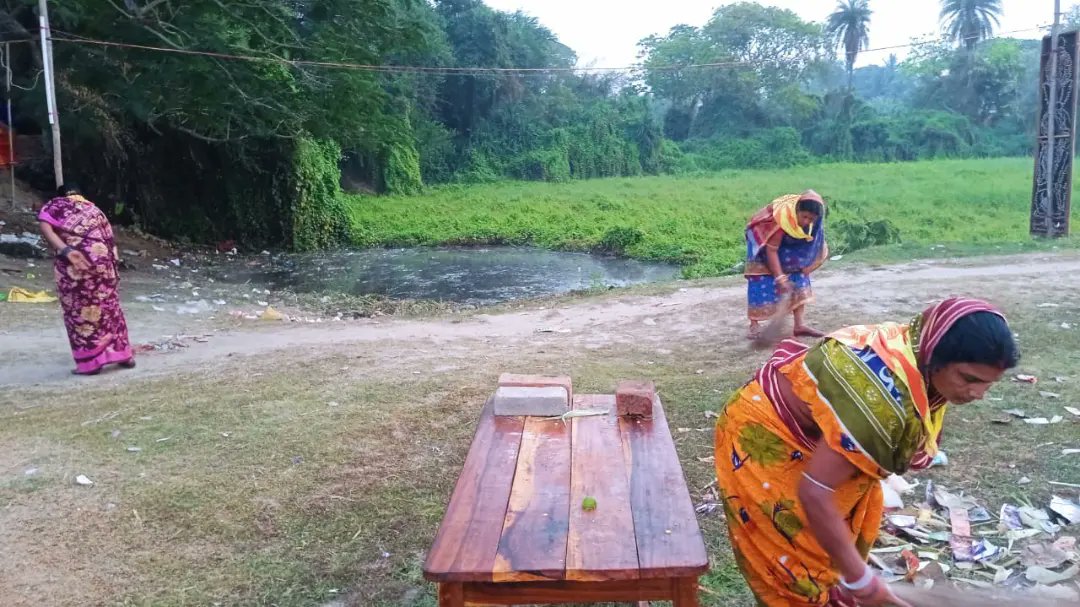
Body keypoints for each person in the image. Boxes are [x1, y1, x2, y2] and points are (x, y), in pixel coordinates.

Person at [714, 298, 1018, 606]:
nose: (978, 394)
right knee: (796, 568)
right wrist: (861, 579)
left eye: (988, 385)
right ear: (935, 356)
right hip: (767, 435)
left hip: (818, 438)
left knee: (831, 550)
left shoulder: (913, 349)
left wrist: (853, 575)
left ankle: (836, 587)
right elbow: (815, 493)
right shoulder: (884, 400)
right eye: (969, 379)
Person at [38, 184, 136, 375]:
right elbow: (110, 241)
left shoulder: (56, 205)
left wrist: (65, 250)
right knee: (110, 309)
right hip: (104, 265)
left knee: (80, 311)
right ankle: (123, 355)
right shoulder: (95, 209)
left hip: (76, 265)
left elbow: (45, 226)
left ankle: (90, 363)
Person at [745, 190, 828, 340]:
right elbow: (771, 250)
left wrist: (811, 264)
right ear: (797, 210)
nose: (807, 221)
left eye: (811, 219)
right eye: (804, 216)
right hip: (764, 242)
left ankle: (799, 325)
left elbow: (818, 245)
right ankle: (754, 325)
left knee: (798, 275)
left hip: (790, 245)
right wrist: (780, 278)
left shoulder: (815, 223)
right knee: (760, 278)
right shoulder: (781, 219)